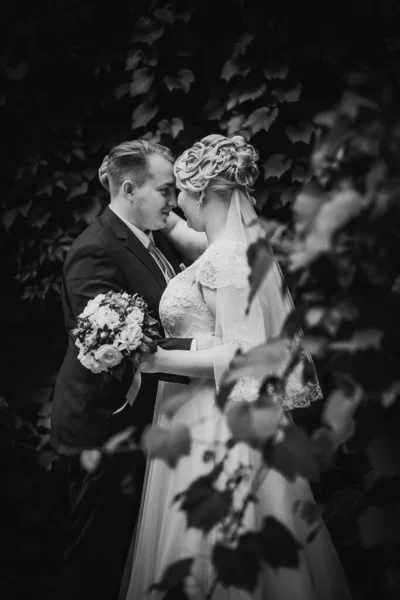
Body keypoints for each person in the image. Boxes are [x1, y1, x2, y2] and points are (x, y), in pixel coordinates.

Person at [125, 134, 352, 599]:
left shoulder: (229, 259)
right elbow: (194, 245)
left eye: (180, 193)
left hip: (215, 421)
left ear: (205, 193)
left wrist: (154, 359)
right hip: (195, 411)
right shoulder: (227, 249)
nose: (175, 202)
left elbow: (242, 356)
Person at [51, 139, 209, 600]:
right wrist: (212, 356)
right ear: (129, 190)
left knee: (129, 557)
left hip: (147, 419)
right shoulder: (94, 251)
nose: (174, 199)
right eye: (165, 189)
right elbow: (113, 350)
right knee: (95, 559)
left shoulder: (150, 231)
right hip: (105, 424)